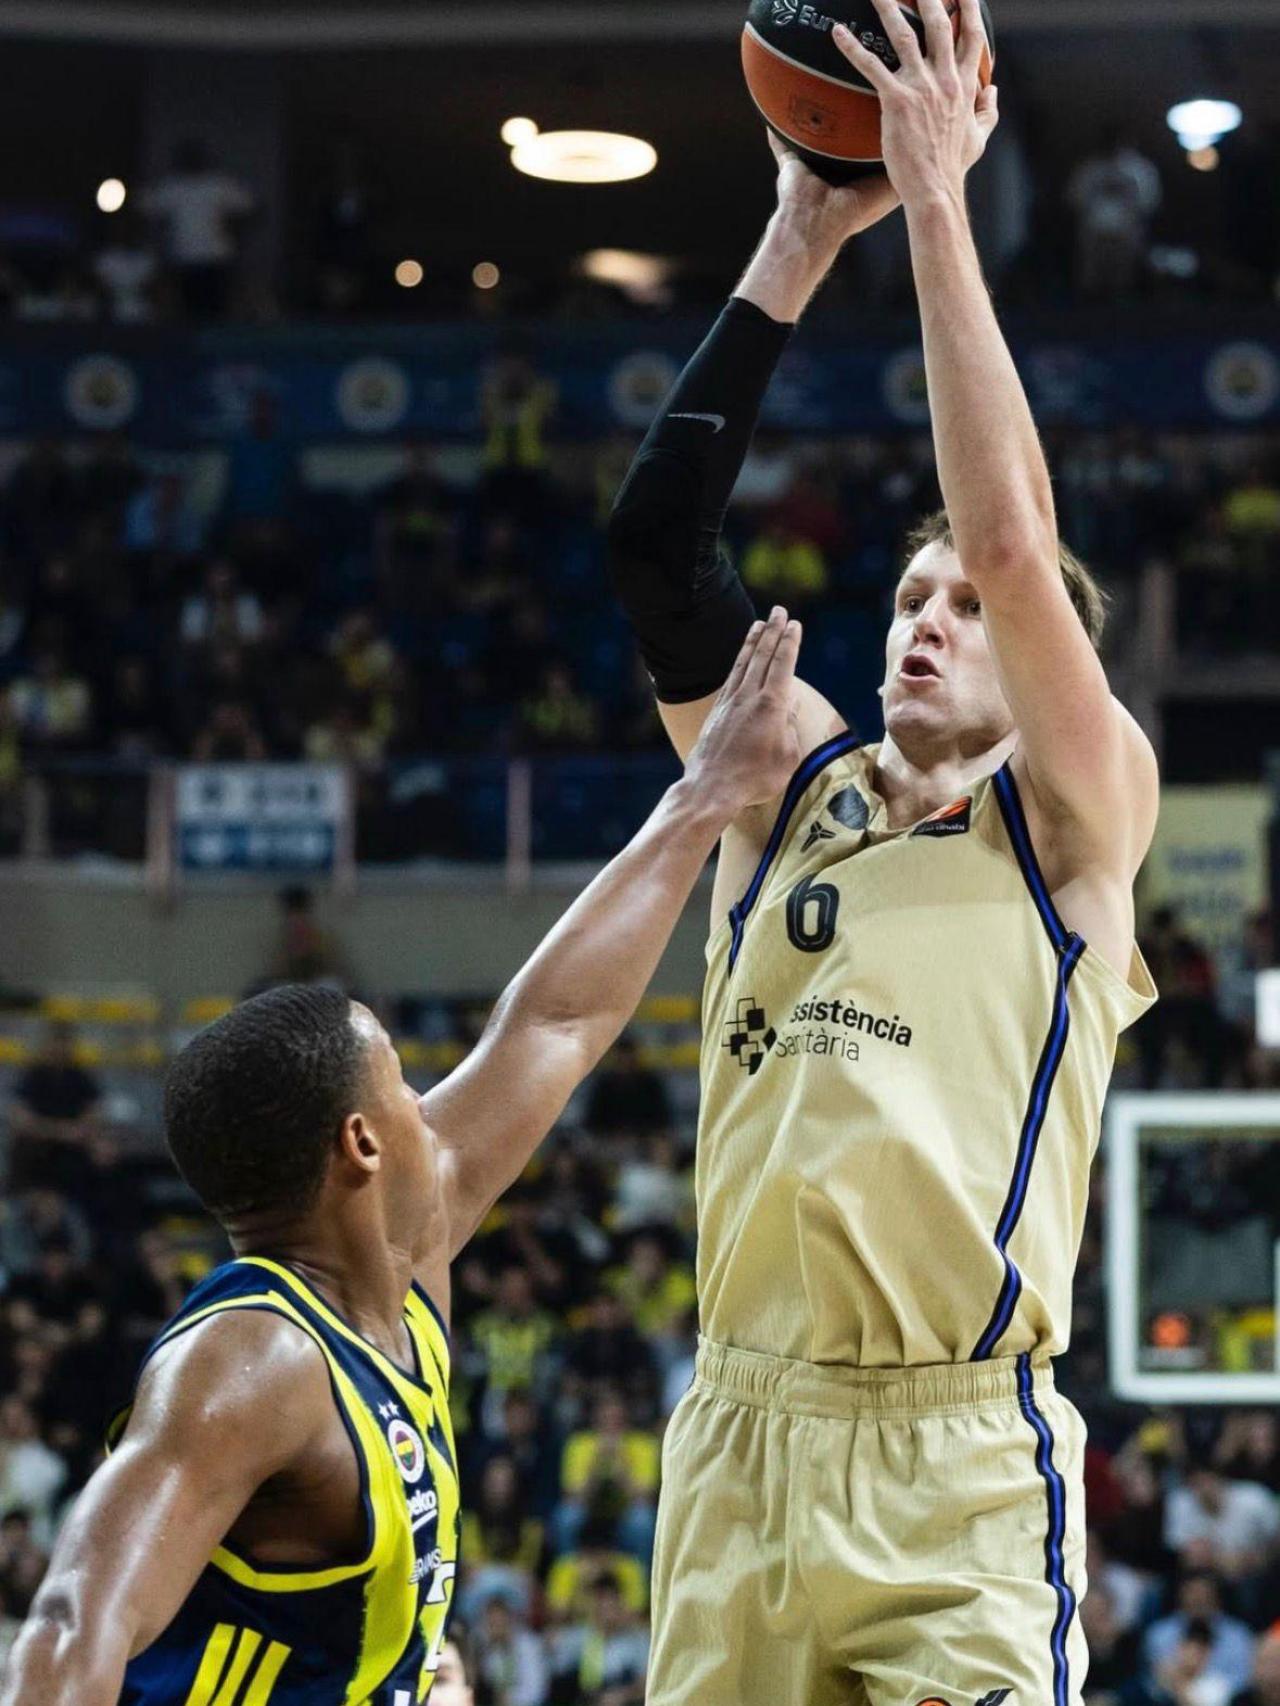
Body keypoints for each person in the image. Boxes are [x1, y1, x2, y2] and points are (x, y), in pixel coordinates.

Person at [605, 3, 1159, 1701]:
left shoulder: (1077, 820)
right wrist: (801, 228)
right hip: (739, 1435)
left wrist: (933, 199)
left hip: (956, 1465)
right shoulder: (785, 783)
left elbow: (1012, 533)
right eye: (914, 598)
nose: (930, 617)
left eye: (970, 613)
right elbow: (657, 544)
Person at [0, 613, 804, 1704]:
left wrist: (703, 798)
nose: (432, 1103)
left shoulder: (403, 1259)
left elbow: (551, 1026)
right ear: (362, 1143)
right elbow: (61, 1637)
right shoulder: (250, 1363)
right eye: (401, 1084)